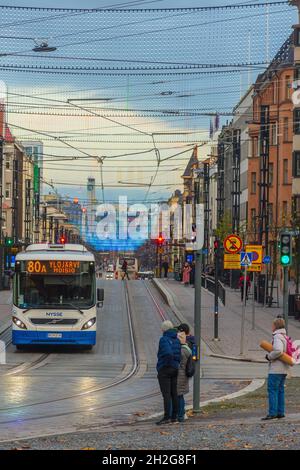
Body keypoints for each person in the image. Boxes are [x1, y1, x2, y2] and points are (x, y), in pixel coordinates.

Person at [262, 317, 291, 421]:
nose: (271, 326)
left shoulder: (277, 337)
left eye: (272, 325)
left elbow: (278, 350)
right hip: (284, 368)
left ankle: (272, 413)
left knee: (272, 390)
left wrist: (269, 356)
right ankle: (280, 412)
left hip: (276, 369)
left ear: (275, 326)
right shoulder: (285, 336)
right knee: (280, 390)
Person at [156, 320, 181, 425]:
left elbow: (168, 353)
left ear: (164, 329)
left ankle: (167, 417)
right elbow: (178, 354)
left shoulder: (164, 339)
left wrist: (164, 365)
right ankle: (174, 417)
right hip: (175, 369)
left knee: (166, 394)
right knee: (173, 393)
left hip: (165, 369)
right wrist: (175, 363)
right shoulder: (176, 339)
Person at [177, 331, 192, 422]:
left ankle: (180, 415)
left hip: (179, 376)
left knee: (177, 396)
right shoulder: (187, 349)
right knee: (180, 396)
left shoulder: (181, 350)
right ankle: (182, 414)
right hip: (184, 376)